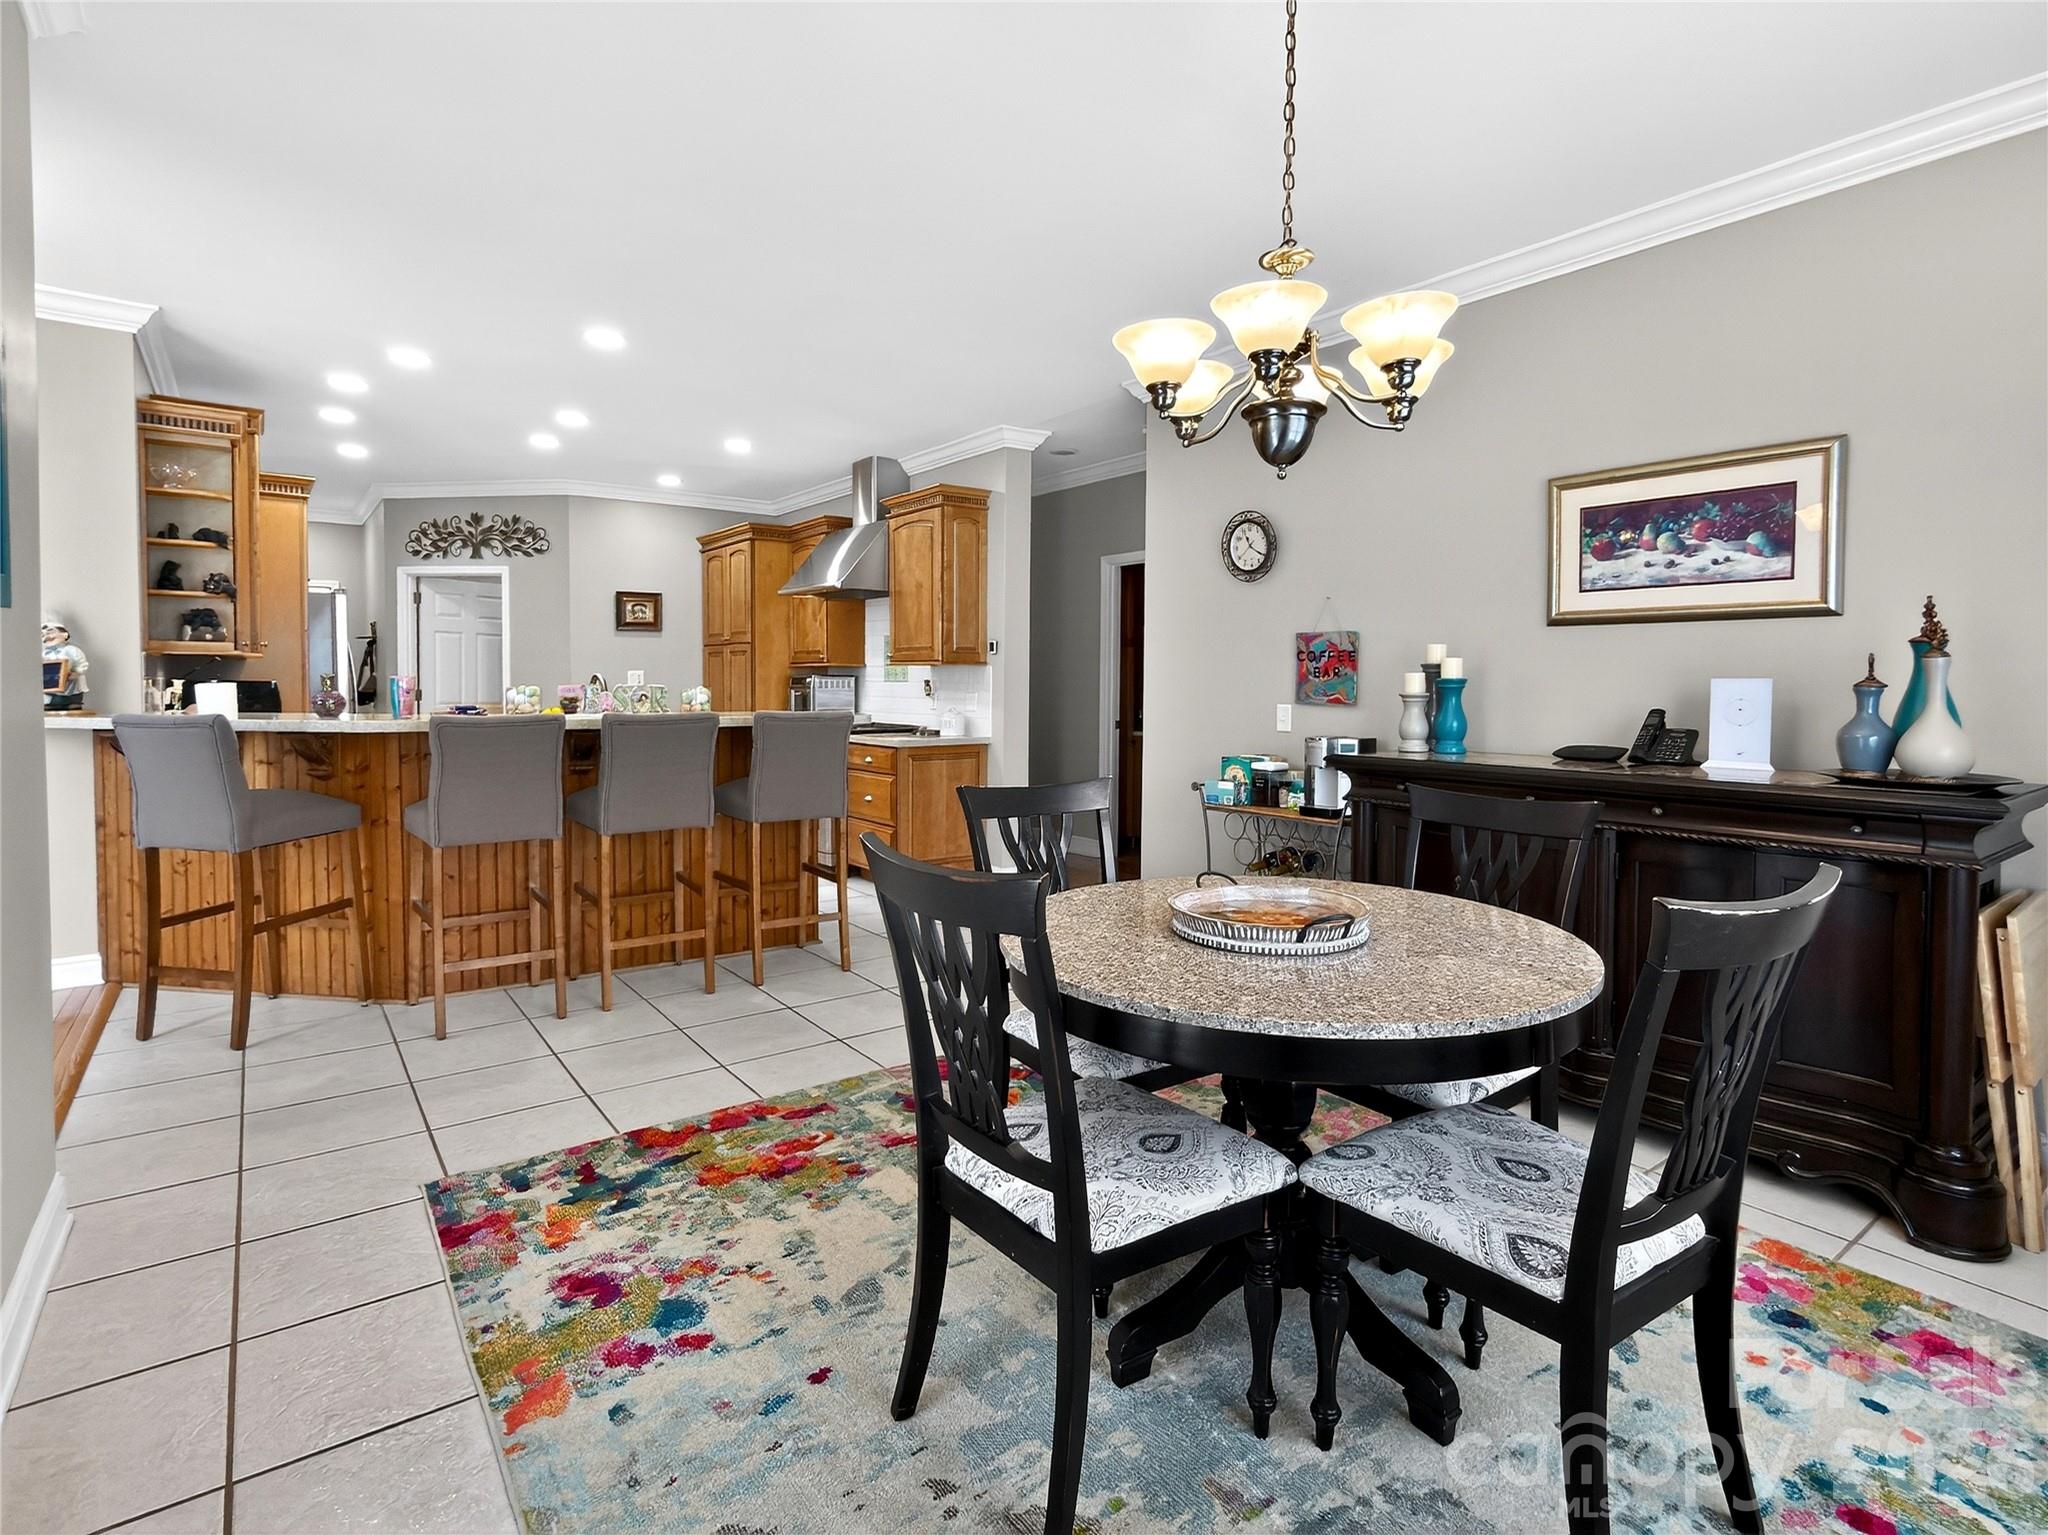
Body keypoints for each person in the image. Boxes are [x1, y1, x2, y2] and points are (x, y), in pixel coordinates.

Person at [42, 615, 89, 712]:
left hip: (70, 682)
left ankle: (72, 702)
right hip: (52, 684)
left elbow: (82, 663)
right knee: (52, 696)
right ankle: (53, 703)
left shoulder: (71, 650)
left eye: (51, 632)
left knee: (72, 694)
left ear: (64, 634)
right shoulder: (43, 653)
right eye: (43, 635)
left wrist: (76, 673)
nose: (47, 636)